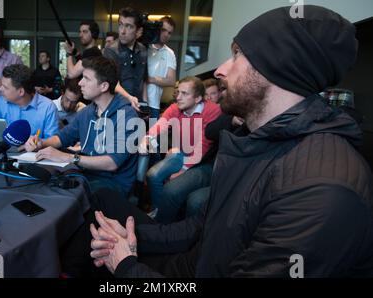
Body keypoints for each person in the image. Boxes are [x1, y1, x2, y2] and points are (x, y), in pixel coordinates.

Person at [84, 5, 373, 277]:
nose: (221, 69)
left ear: (277, 68)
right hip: (194, 263)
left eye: (237, 55)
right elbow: (200, 228)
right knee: (100, 209)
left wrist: (125, 268)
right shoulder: (251, 140)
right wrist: (130, 235)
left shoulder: (321, 189)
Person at [24, 56, 138, 198]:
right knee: (46, 184)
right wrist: (41, 143)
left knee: (64, 195)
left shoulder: (127, 116)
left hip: (113, 183)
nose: (80, 83)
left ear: (104, 86)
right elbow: (63, 137)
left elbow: (112, 162)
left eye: (87, 79)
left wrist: (67, 157)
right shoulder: (88, 111)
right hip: (87, 174)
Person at [142, 76, 221, 223]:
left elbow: (204, 145)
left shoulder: (212, 110)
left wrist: (183, 169)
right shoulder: (175, 108)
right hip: (183, 152)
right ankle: (158, 211)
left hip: (205, 161)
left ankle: (165, 224)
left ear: (197, 99)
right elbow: (161, 125)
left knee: (172, 187)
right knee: (152, 175)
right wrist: (147, 138)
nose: (178, 97)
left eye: (184, 94)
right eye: (178, 92)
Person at [0, 64, 59, 139]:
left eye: (5, 87)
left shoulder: (48, 107)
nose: (0, 89)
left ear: (21, 92)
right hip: (4, 149)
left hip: (35, 150)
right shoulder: (1, 102)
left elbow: (51, 141)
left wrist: (35, 144)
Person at [103, 7, 148, 112]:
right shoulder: (110, 50)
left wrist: (145, 103)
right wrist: (130, 98)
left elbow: (144, 79)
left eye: (128, 26)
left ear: (138, 31)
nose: (122, 31)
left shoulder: (143, 50)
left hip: (138, 107)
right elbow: (112, 82)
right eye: (120, 25)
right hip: (116, 107)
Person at [146, 16, 177, 120]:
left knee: (153, 136)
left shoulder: (170, 53)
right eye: (163, 30)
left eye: (169, 33)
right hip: (136, 101)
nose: (166, 34)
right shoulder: (144, 47)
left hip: (154, 105)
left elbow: (171, 81)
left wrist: (150, 79)